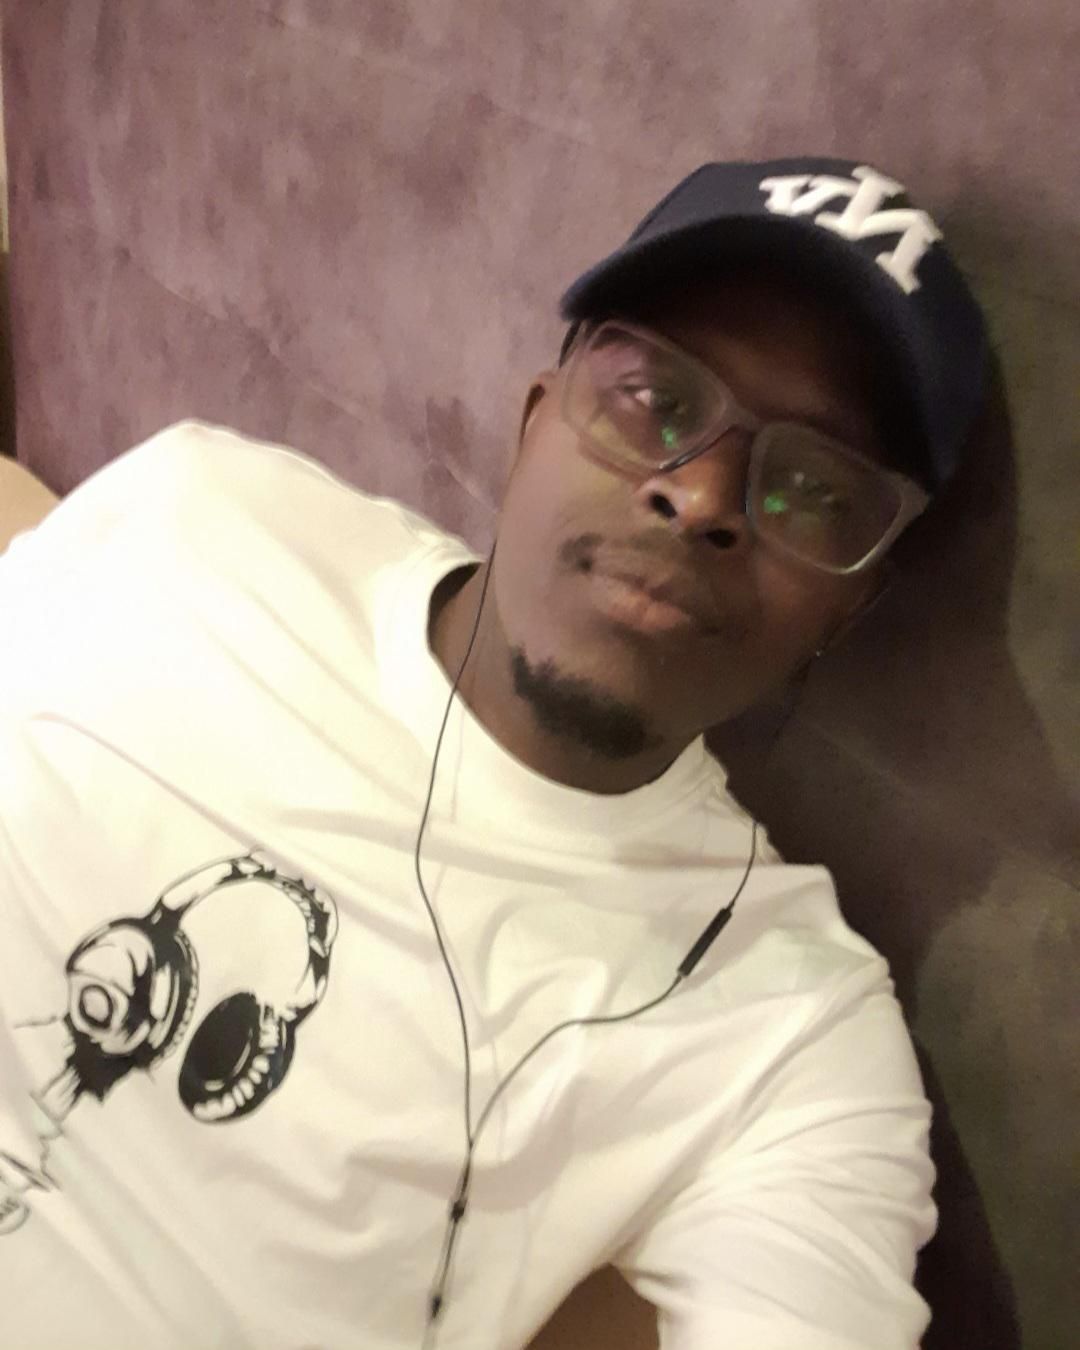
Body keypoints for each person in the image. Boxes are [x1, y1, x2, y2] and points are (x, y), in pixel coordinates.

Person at [0, 156, 989, 1349]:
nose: (700, 495)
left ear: (849, 607)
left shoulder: (789, 1046)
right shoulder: (196, 507)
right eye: (654, 399)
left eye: (815, 488)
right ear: (534, 421)